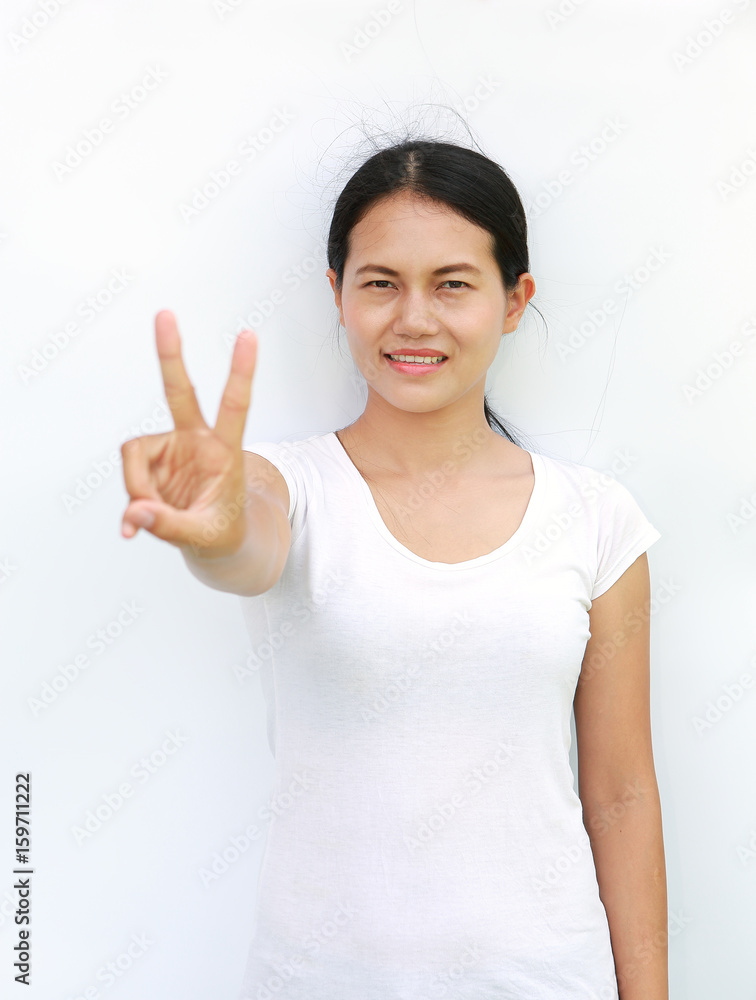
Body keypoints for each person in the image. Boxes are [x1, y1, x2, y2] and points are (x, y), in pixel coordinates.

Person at [120, 138, 668, 999]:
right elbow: (245, 548)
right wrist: (213, 531)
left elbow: (622, 794)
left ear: (514, 301)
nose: (414, 318)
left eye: (453, 284)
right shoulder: (285, 486)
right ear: (337, 294)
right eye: (380, 283)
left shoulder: (596, 519)